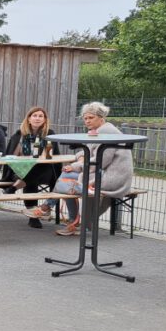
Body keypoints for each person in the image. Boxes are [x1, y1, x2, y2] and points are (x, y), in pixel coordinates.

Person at [49, 101, 134, 237]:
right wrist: (78, 160)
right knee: (68, 178)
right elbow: (88, 151)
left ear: (101, 118)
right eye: (85, 118)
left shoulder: (106, 132)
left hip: (112, 178)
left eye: (91, 118)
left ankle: (75, 221)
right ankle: (77, 221)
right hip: (106, 174)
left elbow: (101, 161)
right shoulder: (100, 131)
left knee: (67, 180)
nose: (87, 121)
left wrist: (75, 166)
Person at [3, 106, 62, 228]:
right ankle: (33, 216)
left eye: (41, 116)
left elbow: (49, 156)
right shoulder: (20, 134)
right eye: (34, 116)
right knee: (30, 177)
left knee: (40, 166)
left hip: (45, 172)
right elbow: (11, 156)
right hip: (21, 170)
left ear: (45, 120)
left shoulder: (49, 134)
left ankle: (15, 188)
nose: (37, 118)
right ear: (28, 119)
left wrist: (40, 156)